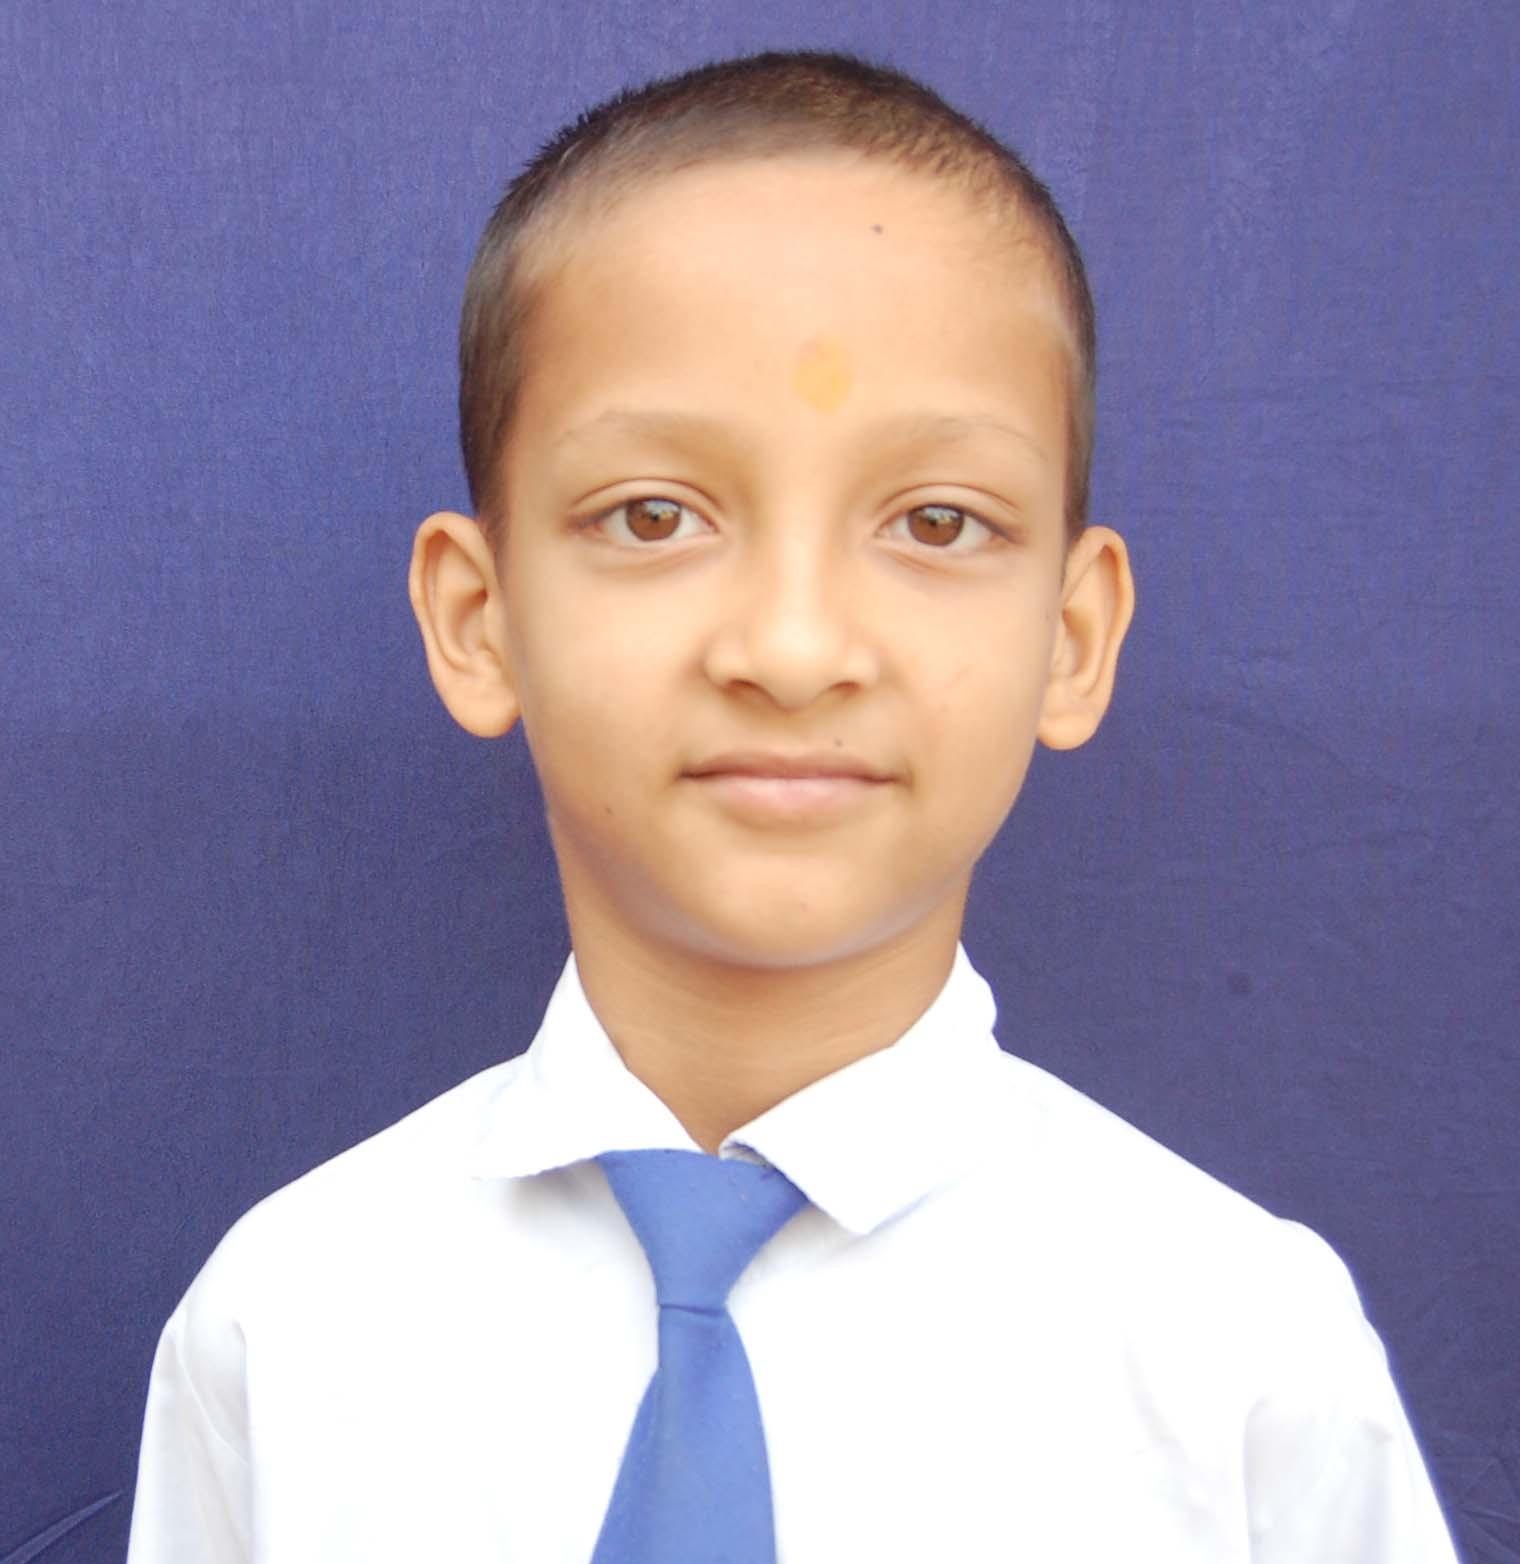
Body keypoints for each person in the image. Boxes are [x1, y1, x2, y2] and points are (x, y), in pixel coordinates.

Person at [126, 49, 1458, 1561]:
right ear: (478, 618)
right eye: (653, 515)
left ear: (1072, 637)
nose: (796, 646)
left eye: (938, 521)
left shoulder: (1244, 1364)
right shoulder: (286, 1330)